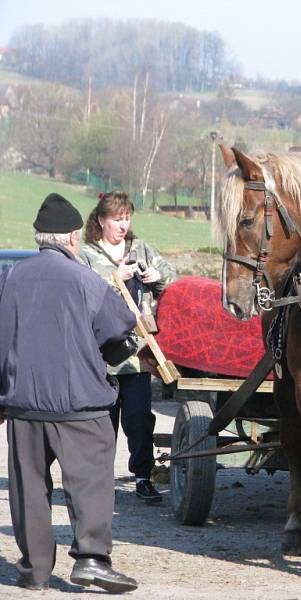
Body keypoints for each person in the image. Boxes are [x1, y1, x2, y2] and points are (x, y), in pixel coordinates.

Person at [0, 193, 139, 593]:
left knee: (28, 487)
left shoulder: (11, 279)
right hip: (79, 404)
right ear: (74, 237)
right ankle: (92, 559)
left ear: (40, 238)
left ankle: (35, 570)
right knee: (91, 479)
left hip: (24, 404)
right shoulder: (86, 280)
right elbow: (118, 330)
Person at [80, 190, 176, 503]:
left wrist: (157, 276)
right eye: (116, 219)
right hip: (100, 355)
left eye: (127, 219)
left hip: (138, 354)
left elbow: (174, 282)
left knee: (138, 419)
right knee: (101, 422)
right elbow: (80, 292)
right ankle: (99, 482)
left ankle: (143, 478)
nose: (123, 225)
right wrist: (113, 277)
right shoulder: (86, 254)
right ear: (100, 221)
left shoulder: (141, 249)